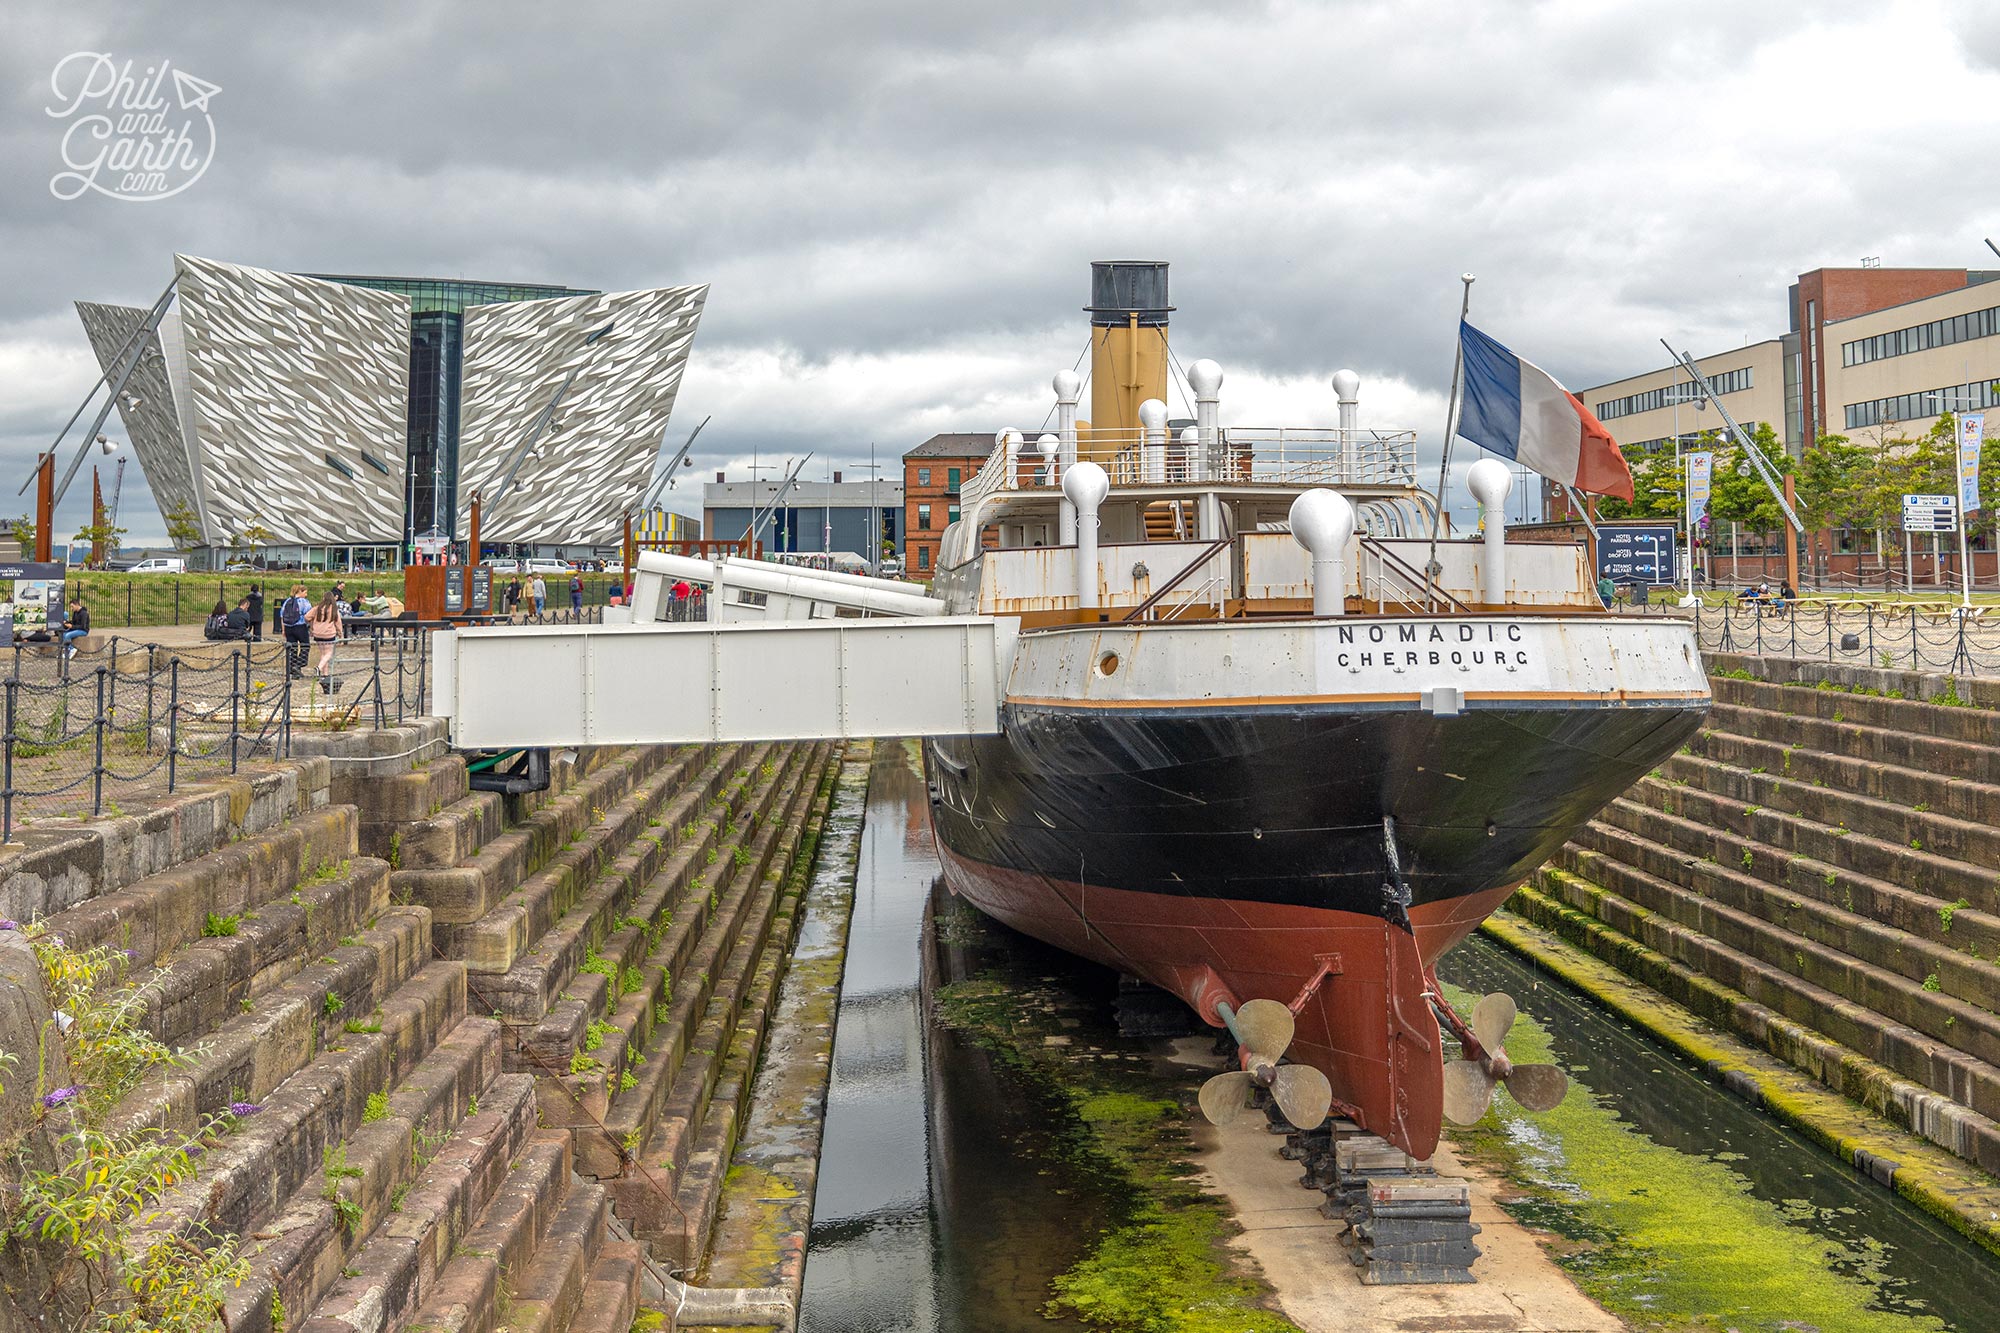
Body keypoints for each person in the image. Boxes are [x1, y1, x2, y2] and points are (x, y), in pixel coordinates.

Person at [308, 590, 344, 692]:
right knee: (328, 653)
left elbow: (307, 616)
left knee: (323, 654)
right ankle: (319, 668)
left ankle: (325, 675)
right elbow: (338, 623)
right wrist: (340, 635)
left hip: (317, 634)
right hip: (329, 634)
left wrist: (312, 624)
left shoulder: (317, 608)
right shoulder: (334, 610)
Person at [280, 583, 313, 678]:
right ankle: (298, 665)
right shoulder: (304, 602)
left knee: (292, 649)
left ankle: (292, 669)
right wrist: (311, 627)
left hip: (288, 627)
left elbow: (282, 616)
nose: (306, 595)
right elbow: (309, 615)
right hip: (300, 626)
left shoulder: (287, 601)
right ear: (300, 592)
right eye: (305, 592)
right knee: (305, 646)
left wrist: (283, 630)